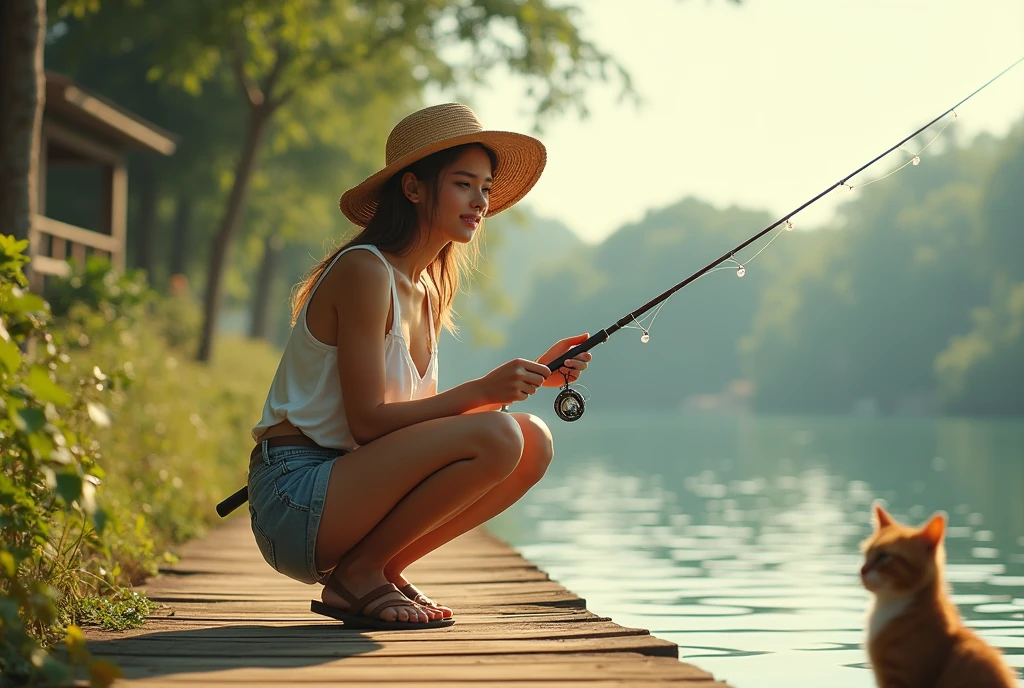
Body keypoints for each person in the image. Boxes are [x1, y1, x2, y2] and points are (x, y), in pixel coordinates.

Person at [247, 103, 593, 630]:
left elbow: (415, 428)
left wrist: (529, 378)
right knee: (501, 436)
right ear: (413, 188)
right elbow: (368, 422)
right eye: (463, 184)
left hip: (347, 487)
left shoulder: (429, 287)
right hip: (295, 496)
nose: (481, 201)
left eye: (486, 186)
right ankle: (358, 573)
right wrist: (482, 389)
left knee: (532, 440)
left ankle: (378, 568)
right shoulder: (364, 270)